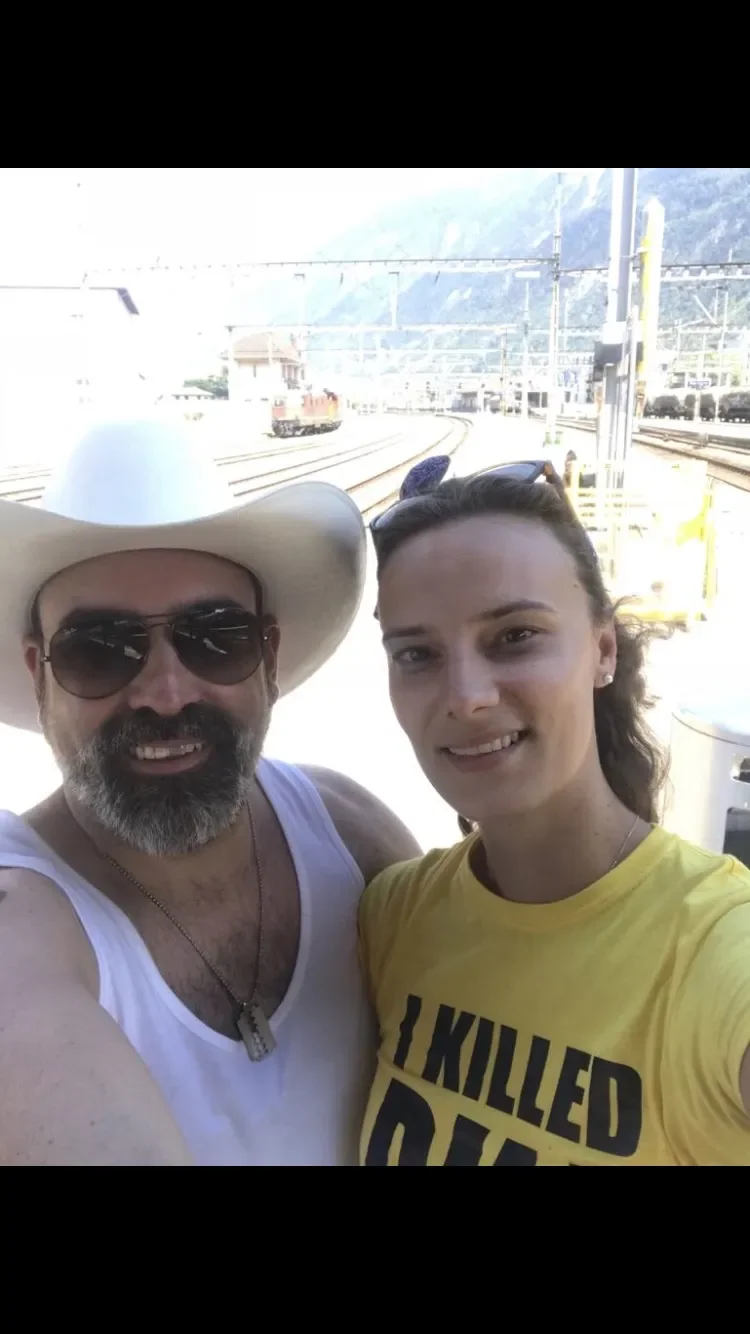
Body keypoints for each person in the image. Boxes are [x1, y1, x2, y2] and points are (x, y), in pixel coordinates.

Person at [0, 418, 420, 1167]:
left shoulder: (353, 838)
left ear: (268, 657)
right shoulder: (21, 913)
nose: (164, 693)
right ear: (37, 675)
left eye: (213, 636)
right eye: (101, 650)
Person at [359, 457, 750, 1167]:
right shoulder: (396, 918)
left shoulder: (712, 949)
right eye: (417, 653)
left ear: (602, 649)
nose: (468, 695)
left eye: (514, 637)